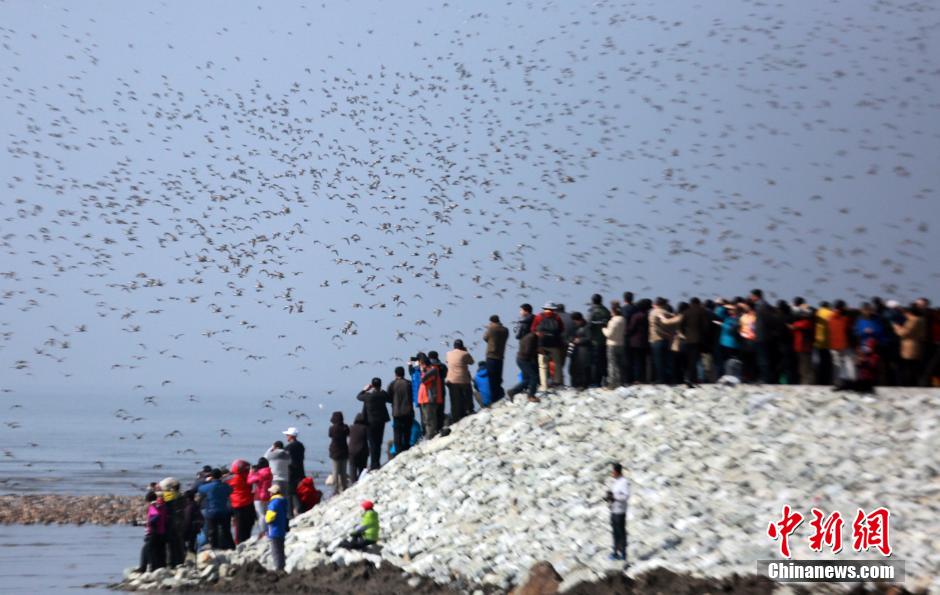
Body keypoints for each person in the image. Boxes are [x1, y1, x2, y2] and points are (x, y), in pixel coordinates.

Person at [357, 378, 391, 470]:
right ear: (380, 385)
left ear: (372, 385)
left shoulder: (368, 396)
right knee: (379, 442)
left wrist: (365, 389)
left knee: (372, 443)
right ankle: (377, 462)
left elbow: (359, 396)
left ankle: (373, 464)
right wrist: (382, 390)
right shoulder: (382, 394)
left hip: (370, 422)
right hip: (381, 421)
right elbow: (389, 399)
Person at [196, 468, 234, 550]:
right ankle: (232, 547)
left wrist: (206, 481)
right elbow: (231, 490)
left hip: (211, 512)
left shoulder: (208, 486)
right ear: (221, 476)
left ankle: (214, 547)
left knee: (212, 531)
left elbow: (199, 489)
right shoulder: (226, 486)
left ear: (212, 476)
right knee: (226, 531)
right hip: (224, 511)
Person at [532, 302, 565, 391]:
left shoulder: (539, 317)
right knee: (557, 364)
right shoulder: (557, 317)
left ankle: (545, 383)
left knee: (543, 365)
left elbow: (533, 329)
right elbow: (561, 329)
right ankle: (558, 382)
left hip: (542, 344)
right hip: (554, 344)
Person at [893, 304, 927, 386]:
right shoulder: (921, 319)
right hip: (917, 345)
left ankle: (908, 385)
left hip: (909, 347)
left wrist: (896, 327)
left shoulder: (913, 320)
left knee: (908, 368)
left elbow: (904, 333)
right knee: (913, 367)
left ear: (910, 312)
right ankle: (913, 384)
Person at [507, 320, 539, 402]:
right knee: (534, 376)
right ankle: (531, 396)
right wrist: (537, 351)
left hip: (522, 359)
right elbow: (528, 351)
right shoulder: (531, 338)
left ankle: (513, 391)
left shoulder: (531, 336)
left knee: (528, 379)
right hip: (524, 359)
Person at [680, 298, 708, 387]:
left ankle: (689, 377)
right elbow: (705, 326)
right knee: (696, 360)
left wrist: (685, 334)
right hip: (698, 339)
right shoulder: (702, 311)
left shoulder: (686, 312)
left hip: (688, 339)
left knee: (690, 360)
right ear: (698, 303)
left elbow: (681, 326)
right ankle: (696, 378)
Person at [137, 490, 167, 573]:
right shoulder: (162, 506)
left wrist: (148, 522)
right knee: (155, 550)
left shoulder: (153, 507)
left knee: (147, 550)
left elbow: (156, 516)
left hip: (154, 531)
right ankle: (155, 567)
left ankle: (145, 568)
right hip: (161, 531)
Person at [445, 339, 475, 423]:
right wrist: (465, 351)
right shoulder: (465, 354)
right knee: (466, 398)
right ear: (461, 346)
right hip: (464, 380)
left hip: (452, 381)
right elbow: (472, 362)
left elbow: (448, 361)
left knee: (455, 401)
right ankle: (467, 412)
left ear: (454, 346)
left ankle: (455, 418)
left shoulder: (448, 354)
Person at [605, 463, 629, 562]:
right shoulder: (617, 482)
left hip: (620, 511)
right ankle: (615, 552)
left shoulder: (624, 482)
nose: (612, 473)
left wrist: (614, 497)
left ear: (617, 472)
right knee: (615, 533)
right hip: (614, 510)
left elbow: (625, 496)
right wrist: (609, 496)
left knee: (620, 533)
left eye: (613, 471)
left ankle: (623, 554)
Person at [158, 477, 185, 567]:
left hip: (168, 522)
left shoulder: (164, 496)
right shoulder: (180, 496)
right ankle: (179, 561)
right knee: (178, 542)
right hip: (179, 522)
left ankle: (169, 563)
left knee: (168, 543)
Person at [828, 300, 855, 385]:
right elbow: (850, 328)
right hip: (845, 344)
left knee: (837, 364)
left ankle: (837, 382)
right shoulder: (846, 318)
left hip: (834, 345)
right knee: (849, 363)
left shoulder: (830, 318)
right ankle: (851, 381)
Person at [227, 459, 254, 545]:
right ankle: (247, 540)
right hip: (249, 502)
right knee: (248, 524)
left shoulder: (231, 479)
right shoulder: (249, 477)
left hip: (237, 504)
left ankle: (239, 543)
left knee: (239, 526)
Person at [483, 315, 509, 402]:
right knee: (498, 378)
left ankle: (494, 399)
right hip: (500, 356)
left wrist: (489, 328)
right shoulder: (505, 330)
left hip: (491, 356)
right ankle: (499, 396)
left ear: (491, 321)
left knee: (492, 379)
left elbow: (485, 338)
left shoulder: (491, 329)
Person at [388, 367, 414, 457]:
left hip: (396, 412)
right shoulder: (408, 383)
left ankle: (398, 451)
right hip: (408, 411)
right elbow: (412, 396)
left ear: (395, 374)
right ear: (404, 373)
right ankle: (406, 448)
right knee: (407, 431)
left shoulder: (392, 384)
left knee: (397, 432)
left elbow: (389, 398)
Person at [588, 294, 612, 387]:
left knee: (595, 362)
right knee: (604, 361)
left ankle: (596, 382)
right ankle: (605, 379)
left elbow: (589, 326)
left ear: (593, 301)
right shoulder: (606, 311)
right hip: (605, 340)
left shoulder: (592, 311)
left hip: (595, 341)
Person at [417, 354, 443, 438]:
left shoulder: (432, 370)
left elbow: (423, 380)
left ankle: (431, 435)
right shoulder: (426, 370)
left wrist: (423, 371)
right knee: (425, 419)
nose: (419, 365)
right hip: (423, 399)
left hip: (429, 398)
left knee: (430, 418)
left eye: (420, 363)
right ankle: (429, 434)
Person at [264, 484, 288, 571]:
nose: (269, 493)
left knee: (275, 550)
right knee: (281, 549)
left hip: (274, 530)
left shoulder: (274, 503)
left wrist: (266, 519)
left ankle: (279, 567)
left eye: (270, 492)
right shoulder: (283, 502)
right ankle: (282, 565)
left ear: (273, 493)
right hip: (281, 529)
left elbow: (269, 517)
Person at [625, 299, 650, 384]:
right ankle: (643, 378)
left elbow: (631, 328)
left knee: (636, 361)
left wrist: (625, 333)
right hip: (645, 341)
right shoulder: (647, 315)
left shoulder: (636, 316)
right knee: (643, 361)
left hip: (635, 341)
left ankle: (637, 379)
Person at [283, 428, 305, 518]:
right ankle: (299, 508)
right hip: (300, 470)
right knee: (297, 491)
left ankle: (290, 513)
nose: (286, 437)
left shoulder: (289, 447)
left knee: (290, 492)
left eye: (287, 435)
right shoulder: (301, 445)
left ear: (291, 436)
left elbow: (283, 455)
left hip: (291, 471)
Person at [602, 302, 626, 388]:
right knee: (619, 364)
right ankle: (620, 382)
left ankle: (612, 383)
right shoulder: (623, 319)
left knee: (612, 364)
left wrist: (603, 329)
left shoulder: (613, 321)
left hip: (612, 344)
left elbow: (609, 334)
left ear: (613, 310)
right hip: (621, 343)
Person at [247, 458, 272, 538]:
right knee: (267, 513)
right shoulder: (270, 472)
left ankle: (262, 531)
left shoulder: (259, 473)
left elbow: (249, 481)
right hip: (268, 495)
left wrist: (251, 473)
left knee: (261, 515)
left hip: (259, 496)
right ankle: (269, 529)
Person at [568, 312, 593, 389]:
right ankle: (576, 384)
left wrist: (580, 340)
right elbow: (570, 336)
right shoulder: (575, 326)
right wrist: (572, 339)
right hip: (576, 351)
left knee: (584, 368)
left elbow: (589, 338)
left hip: (584, 350)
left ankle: (584, 384)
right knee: (574, 368)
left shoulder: (587, 327)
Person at [328, 412, 350, 494]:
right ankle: (344, 487)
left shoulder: (332, 428)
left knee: (335, 472)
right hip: (344, 450)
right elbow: (348, 434)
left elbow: (330, 435)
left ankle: (336, 489)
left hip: (335, 451)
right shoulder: (345, 427)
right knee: (343, 471)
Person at [348, 413, 369, 482]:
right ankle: (361, 482)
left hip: (352, 451)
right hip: (363, 450)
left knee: (352, 468)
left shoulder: (351, 428)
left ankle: (353, 482)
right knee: (362, 468)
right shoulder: (365, 428)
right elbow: (369, 438)